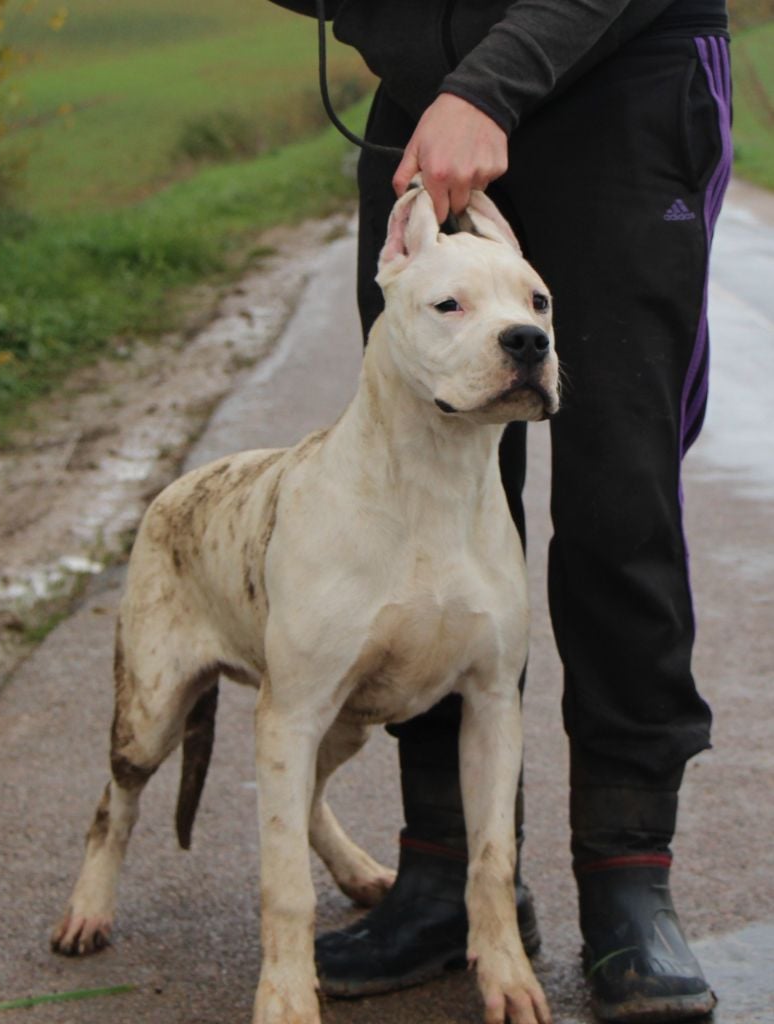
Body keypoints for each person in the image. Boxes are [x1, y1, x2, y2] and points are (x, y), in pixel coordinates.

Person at [269, 2, 732, 1021]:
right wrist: (424, 60)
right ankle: (449, 873)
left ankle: (627, 877)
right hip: (422, 100)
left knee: (618, 499)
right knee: (420, 500)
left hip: (622, 80)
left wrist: (488, 83)